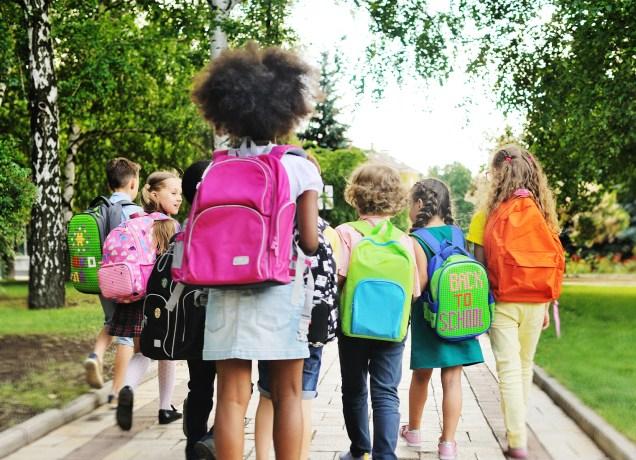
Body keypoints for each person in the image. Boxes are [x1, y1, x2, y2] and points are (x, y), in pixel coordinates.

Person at [190, 42, 322, 460]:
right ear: (286, 112)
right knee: (286, 393)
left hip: (223, 287)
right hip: (277, 288)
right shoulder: (297, 166)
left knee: (230, 395)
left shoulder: (215, 166)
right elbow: (311, 241)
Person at [336, 163, 426, 460]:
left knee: (354, 389)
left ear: (356, 195)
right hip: (392, 329)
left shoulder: (345, 233)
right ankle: (385, 455)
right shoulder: (404, 240)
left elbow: (336, 279)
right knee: (386, 391)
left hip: (353, 326)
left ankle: (359, 449)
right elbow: (413, 291)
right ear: (396, 198)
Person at [483, 145, 563, 459]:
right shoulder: (542, 211)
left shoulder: (491, 213)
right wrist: (545, 304)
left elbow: (482, 260)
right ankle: (517, 430)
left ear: (497, 175)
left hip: (504, 299)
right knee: (525, 366)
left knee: (508, 369)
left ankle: (516, 441)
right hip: (537, 299)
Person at [399, 178, 484, 460]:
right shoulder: (457, 233)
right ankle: (448, 443)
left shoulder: (416, 239)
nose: (409, 210)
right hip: (460, 313)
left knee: (421, 376)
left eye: (410, 203)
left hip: (430, 315)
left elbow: (420, 285)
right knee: (452, 380)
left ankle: (413, 430)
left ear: (420, 204)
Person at [113, 170, 184, 430]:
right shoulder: (168, 225)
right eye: (172, 193)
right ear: (154, 194)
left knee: (143, 351)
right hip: (159, 300)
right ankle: (165, 408)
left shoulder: (133, 220)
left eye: (179, 193)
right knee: (167, 352)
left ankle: (128, 387)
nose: (178, 198)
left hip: (132, 295)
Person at [83, 157, 141, 404]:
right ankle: (116, 392)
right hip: (125, 279)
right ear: (133, 183)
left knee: (112, 321)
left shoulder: (98, 208)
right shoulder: (133, 212)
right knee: (126, 334)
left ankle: (95, 356)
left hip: (101, 276)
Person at [180, 160, 218, 460]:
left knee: (199, 385)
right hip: (225, 314)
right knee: (236, 384)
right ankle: (216, 436)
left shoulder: (184, 229)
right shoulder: (226, 222)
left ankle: (194, 442)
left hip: (192, 317)